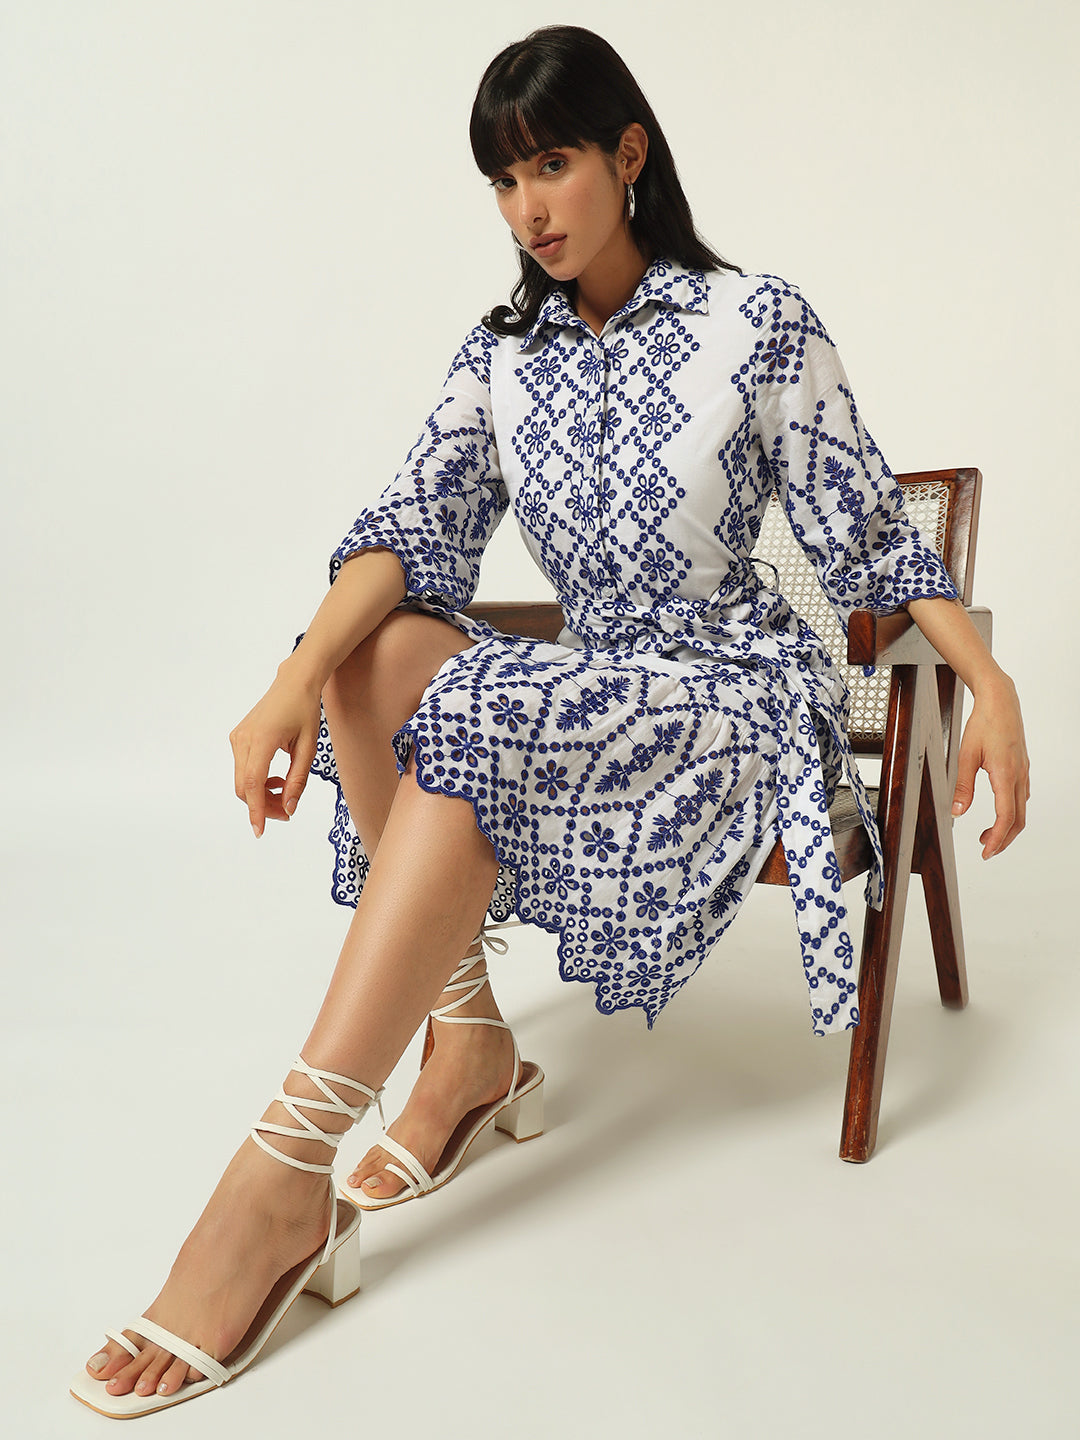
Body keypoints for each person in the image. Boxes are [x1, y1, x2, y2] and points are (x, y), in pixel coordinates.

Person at [71, 24, 1029, 1418]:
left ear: (628, 156)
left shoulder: (757, 320)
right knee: (368, 652)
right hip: (580, 686)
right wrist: (283, 689)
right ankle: (463, 1043)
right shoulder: (503, 348)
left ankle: (280, 1179)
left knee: (478, 710)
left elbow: (868, 532)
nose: (530, 207)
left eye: (555, 163)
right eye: (504, 179)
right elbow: (410, 530)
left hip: (724, 695)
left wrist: (989, 682)